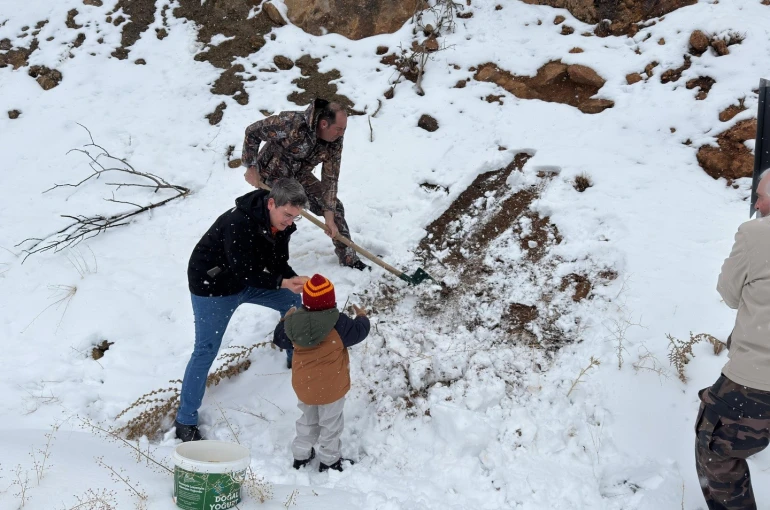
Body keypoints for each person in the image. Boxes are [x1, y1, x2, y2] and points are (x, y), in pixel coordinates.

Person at [174, 178, 310, 442]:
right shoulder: (239, 222)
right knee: (205, 350)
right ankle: (185, 420)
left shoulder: (281, 224)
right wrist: (281, 281)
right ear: (272, 203)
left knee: (292, 302)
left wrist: (293, 279)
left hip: (248, 280)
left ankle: (296, 356)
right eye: (287, 215)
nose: (290, 222)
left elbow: (278, 261)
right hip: (213, 286)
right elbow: (243, 269)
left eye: (296, 217)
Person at [695, 170, 770, 509]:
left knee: (715, 450)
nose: (756, 203)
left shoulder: (757, 234)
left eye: (761, 195)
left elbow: (729, 293)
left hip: (756, 379)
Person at [241, 98, 369, 271]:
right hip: (271, 176)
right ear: (324, 124)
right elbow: (252, 132)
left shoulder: (335, 141)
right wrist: (251, 166)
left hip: (299, 176)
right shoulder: (291, 123)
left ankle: (348, 258)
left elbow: (330, 178)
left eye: (344, 129)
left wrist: (329, 215)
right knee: (271, 218)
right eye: (338, 129)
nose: (341, 133)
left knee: (335, 208)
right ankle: (255, 263)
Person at [273, 274, 370, 472]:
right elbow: (360, 332)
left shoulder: (293, 324)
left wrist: (285, 320)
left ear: (306, 301)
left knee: (307, 421)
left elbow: (279, 338)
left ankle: (301, 456)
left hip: (305, 386)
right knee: (330, 425)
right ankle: (329, 461)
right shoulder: (339, 323)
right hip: (331, 388)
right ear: (331, 300)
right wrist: (362, 316)